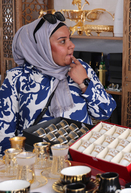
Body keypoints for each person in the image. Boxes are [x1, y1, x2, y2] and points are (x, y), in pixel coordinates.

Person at [0, 12, 116, 155]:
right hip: (37, 164)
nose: (72, 45)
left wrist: (85, 83)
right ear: (41, 46)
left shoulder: (81, 68)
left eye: (70, 39)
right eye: (62, 41)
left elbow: (105, 112)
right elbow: (4, 134)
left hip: (79, 159)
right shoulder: (17, 78)